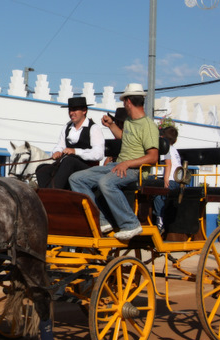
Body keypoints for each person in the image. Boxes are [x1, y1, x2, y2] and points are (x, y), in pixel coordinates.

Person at [69, 83, 159, 241]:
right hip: (118, 166)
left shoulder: (148, 126)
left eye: (124, 101)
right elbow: (125, 137)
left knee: (106, 182)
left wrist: (127, 163)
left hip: (135, 170)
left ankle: (131, 223)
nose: (124, 104)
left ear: (128, 102)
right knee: (76, 178)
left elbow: (153, 157)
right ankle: (102, 220)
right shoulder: (131, 121)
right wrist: (111, 125)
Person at [36, 96, 105, 190]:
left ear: (84, 111)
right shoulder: (67, 127)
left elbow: (98, 154)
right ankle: (46, 194)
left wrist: (75, 151)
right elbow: (60, 145)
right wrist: (57, 152)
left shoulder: (94, 128)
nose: (71, 113)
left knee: (69, 161)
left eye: (75, 110)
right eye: (70, 110)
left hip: (88, 168)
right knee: (42, 168)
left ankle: (54, 192)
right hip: (67, 166)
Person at [154, 126, 181, 233]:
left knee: (157, 196)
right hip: (176, 180)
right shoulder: (174, 150)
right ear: (175, 140)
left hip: (171, 180)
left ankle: (159, 219)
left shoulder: (166, 148)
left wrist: (166, 180)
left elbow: (168, 164)